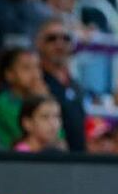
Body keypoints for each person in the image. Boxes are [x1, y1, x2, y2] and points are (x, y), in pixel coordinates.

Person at [37, 18, 87, 152]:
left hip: (78, 159)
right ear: (39, 43)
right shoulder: (35, 82)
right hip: (50, 159)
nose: (59, 44)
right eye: (51, 38)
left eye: (66, 38)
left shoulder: (76, 85)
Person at [0, 47, 47, 149]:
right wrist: (40, 101)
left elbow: (59, 137)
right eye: (26, 68)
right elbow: (28, 135)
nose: (35, 74)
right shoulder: (4, 103)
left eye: (38, 67)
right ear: (9, 74)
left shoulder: (46, 97)